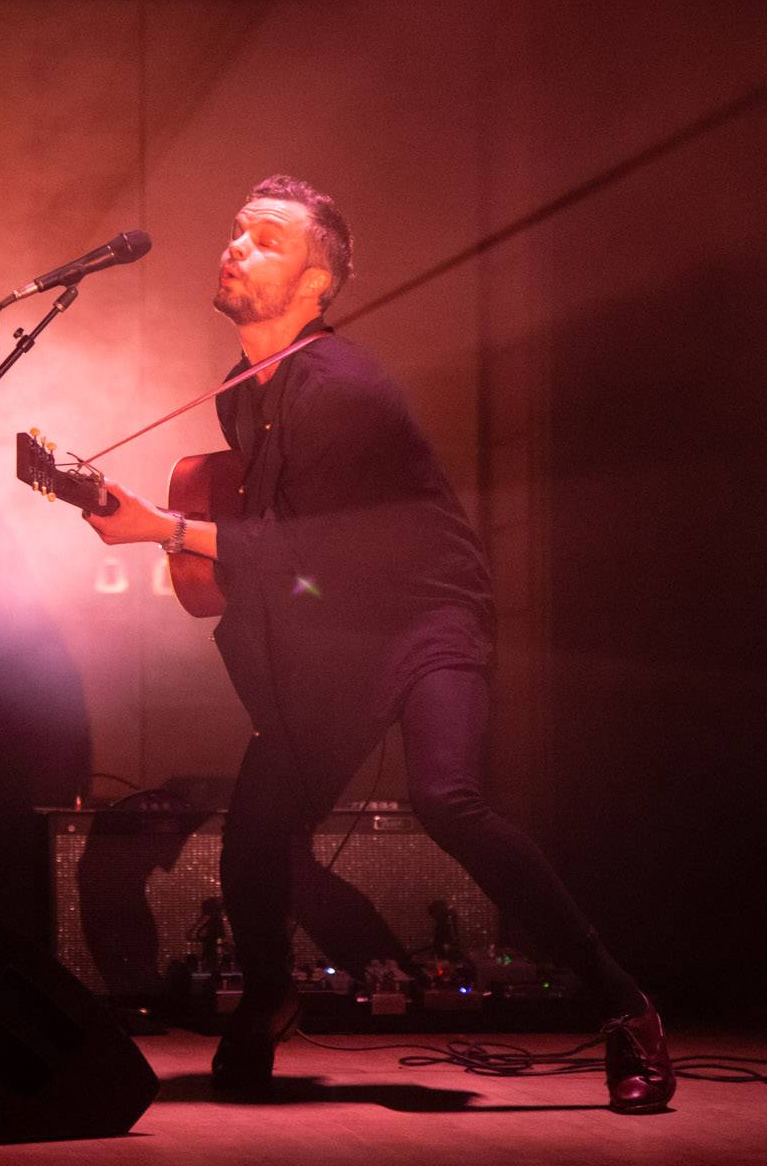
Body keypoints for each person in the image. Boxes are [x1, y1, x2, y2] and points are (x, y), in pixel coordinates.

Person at [82, 175, 675, 1110]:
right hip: (342, 632)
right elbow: (287, 544)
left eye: (267, 240)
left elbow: (316, 550)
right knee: (259, 823)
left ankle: (624, 1005)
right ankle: (268, 998)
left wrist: (167, 530)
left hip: (426, 613)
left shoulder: (342, 387)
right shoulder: (243, 395)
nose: (237, 246)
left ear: (315, 284)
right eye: (237, 230)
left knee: (448, 798)